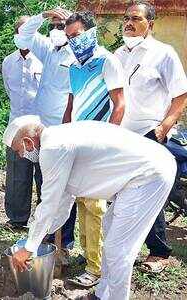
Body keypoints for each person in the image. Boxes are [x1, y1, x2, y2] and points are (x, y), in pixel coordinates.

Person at [4, 115, 176, 300]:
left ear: (28, 141)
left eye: (19, 150)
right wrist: (42, 235)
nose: (22, 156)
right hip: (144, 173)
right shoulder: (57, 139)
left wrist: (29, 247)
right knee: (109, 229)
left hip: (150, 174)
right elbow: (63, 201)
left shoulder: (53, 148)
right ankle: (102, 295)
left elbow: (49, 204)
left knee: (119, 249)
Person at [115, 0, 187, 273]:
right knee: (123, 192)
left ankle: (159, 252)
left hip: (150, 131)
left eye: (136, 18)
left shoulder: (163, 53)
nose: (129, 23)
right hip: (122, 133)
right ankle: (127, 247)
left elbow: (180, 96)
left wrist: (162, 128)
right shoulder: (119, 54)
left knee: (148, 191)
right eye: (126, 18)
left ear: (150, 24)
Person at [61, 11, 125, 287]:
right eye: (68, 37)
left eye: (76, 35)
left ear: (90, 32)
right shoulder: (74, 66)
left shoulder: (107, 61)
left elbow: (119, 104)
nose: (73, 42)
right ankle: (88, 259)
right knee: (82, 200)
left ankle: (97, 269)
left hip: (98, 143)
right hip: (77, 141)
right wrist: (65, 133)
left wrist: (108, 140)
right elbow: (71, 105)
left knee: (96, 206)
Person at [14, 7, 77, 252]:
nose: (57, 30)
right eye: (55, 26)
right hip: (42, 132)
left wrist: (69, 20)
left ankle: (66, 240)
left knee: (65, 188)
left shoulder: (76, 53)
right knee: (44, 183)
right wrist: (43, 15)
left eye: (62, 27)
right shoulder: (48, 49)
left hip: (64, 130)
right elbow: (22, 36)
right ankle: (48, 234)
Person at [2, 16, 43, 229]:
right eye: (20, 31)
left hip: (42, 127)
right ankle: (17, 219)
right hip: (16, 127)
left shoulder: (46, 59)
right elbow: (9, 91)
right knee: (18, 175)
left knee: (44, 175)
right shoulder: (8, 62)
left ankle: (45, 222)